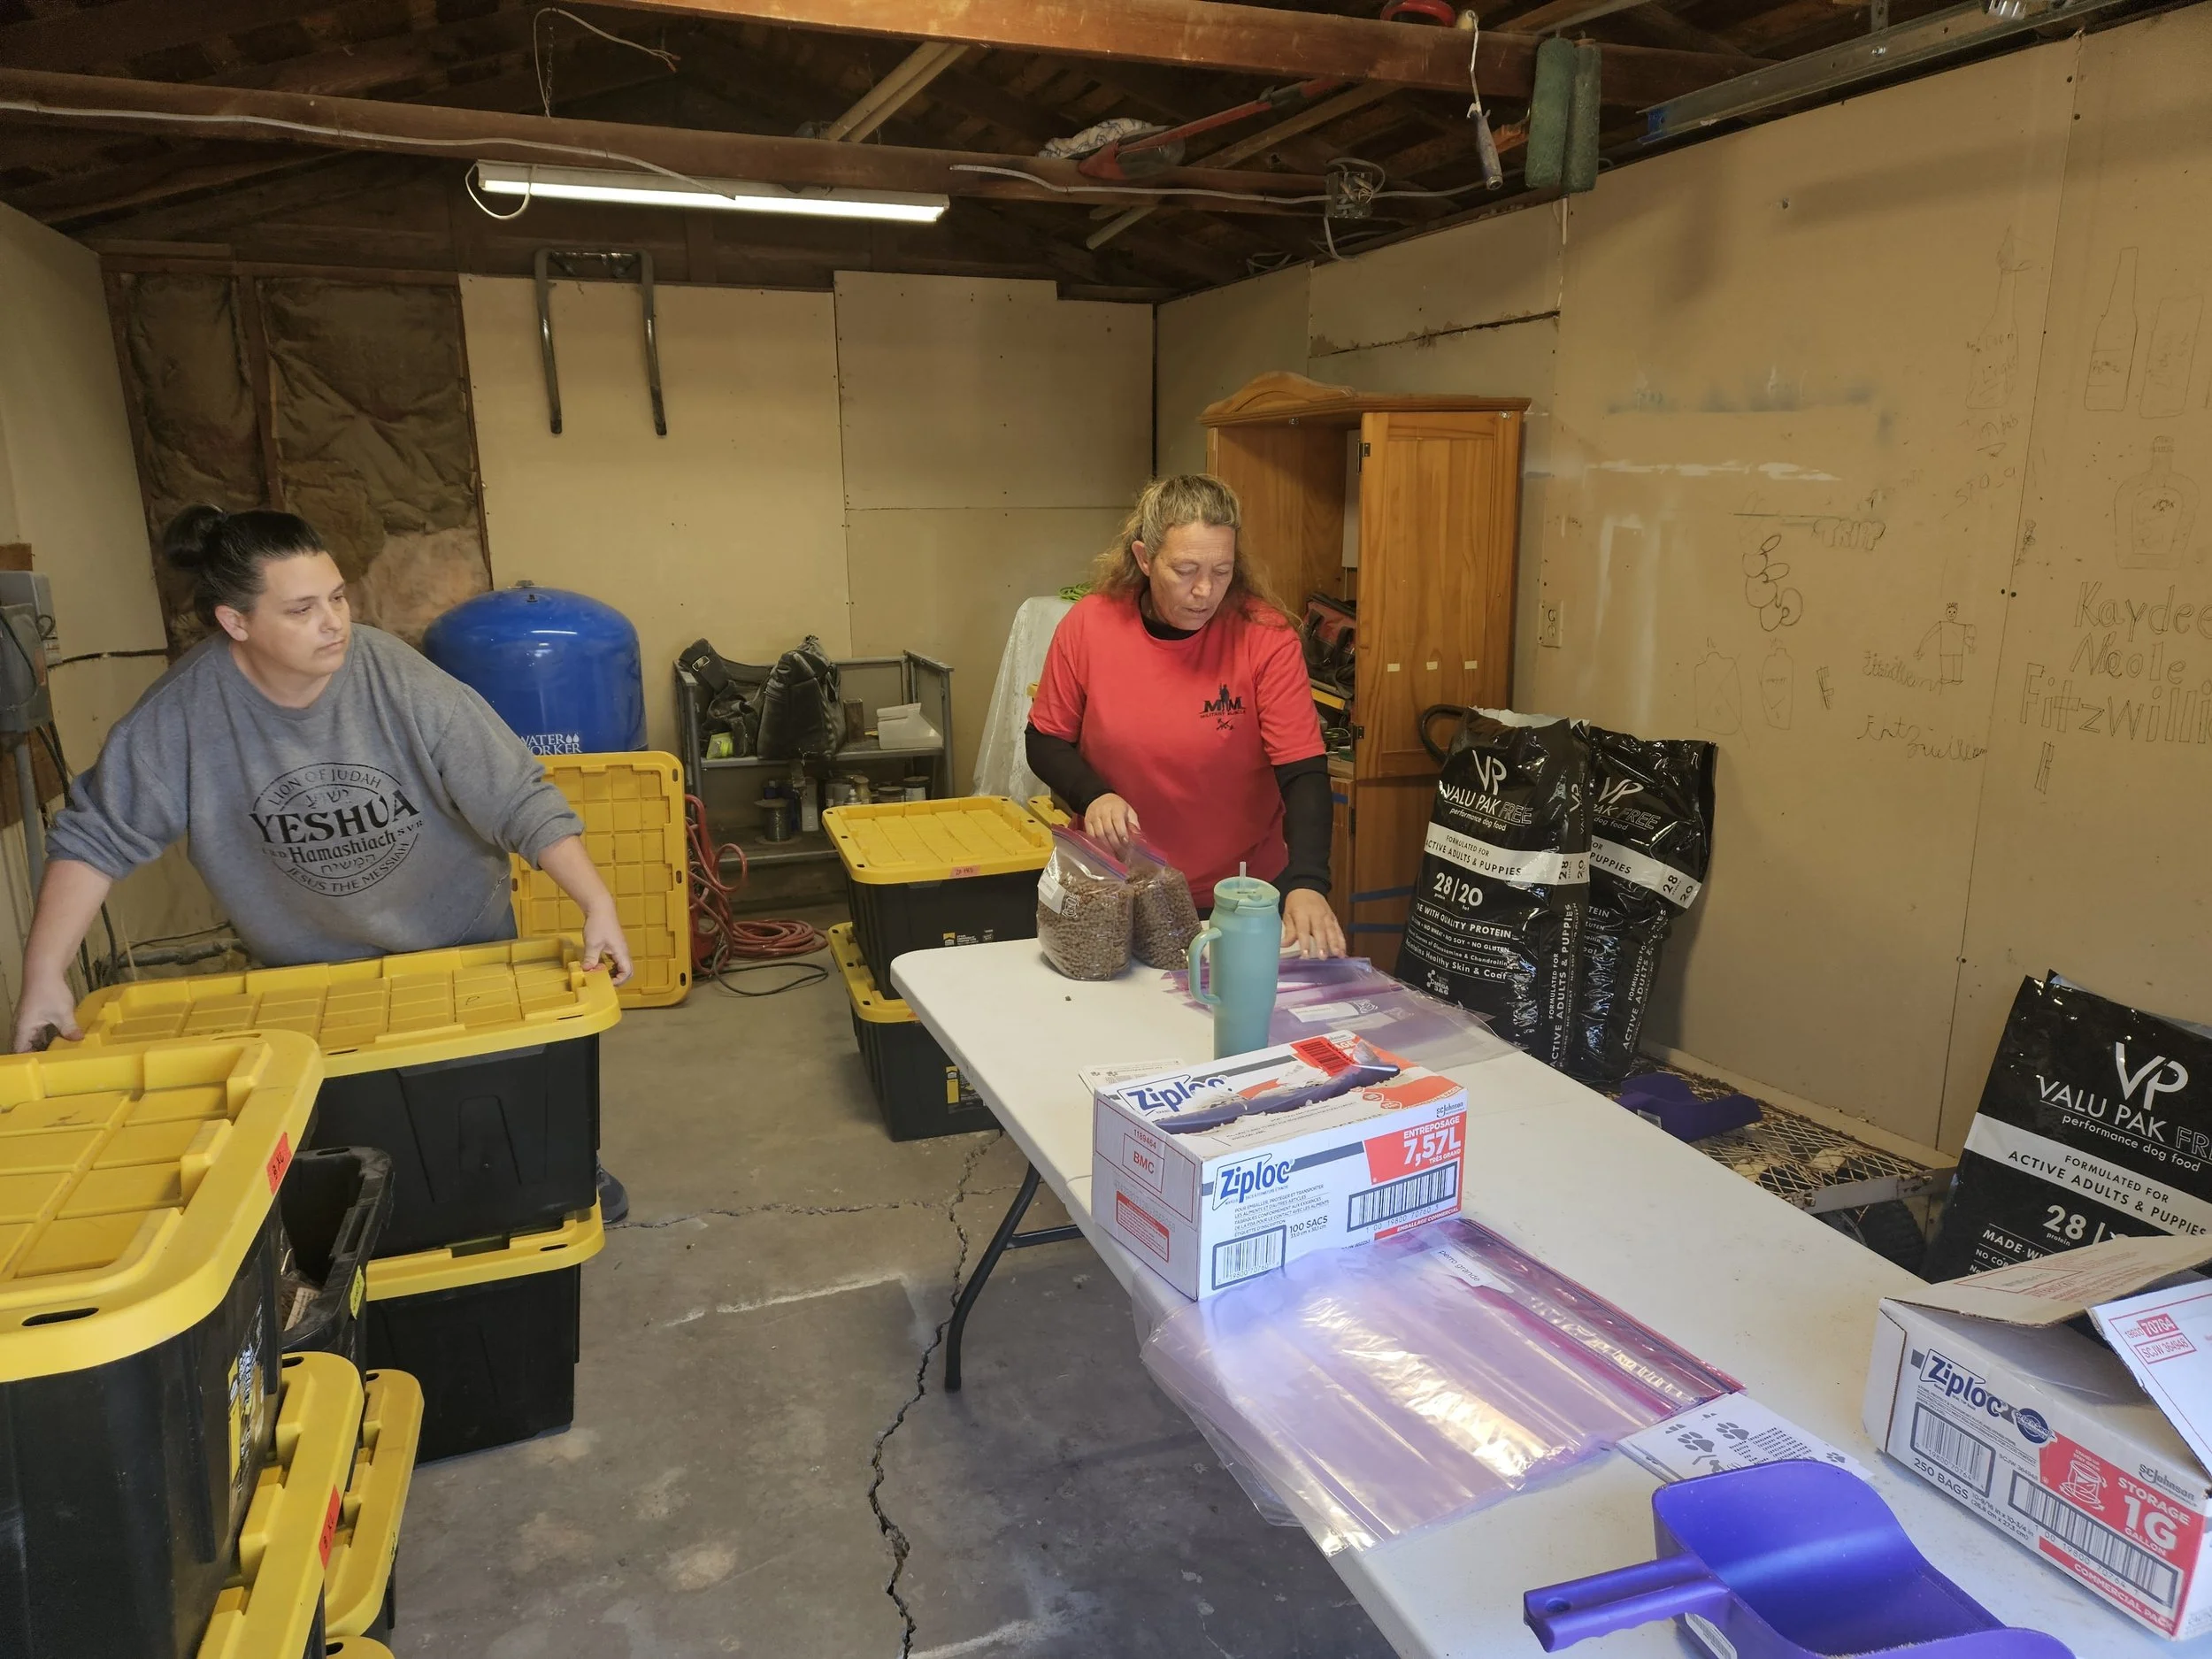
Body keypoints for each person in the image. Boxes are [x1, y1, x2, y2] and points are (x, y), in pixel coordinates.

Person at [12, 506, 639, 1220]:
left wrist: (599, 904)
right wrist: (43, 976)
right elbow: (95, 838)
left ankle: (565, 1161)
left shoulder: (393, 674)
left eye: (337, 597)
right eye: (303, 608)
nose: (334, 622)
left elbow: (514, 793)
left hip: (461, 945)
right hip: (311, 978)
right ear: (236, 622)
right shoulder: (183, 715)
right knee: (369, 1153)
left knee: (497, 1111)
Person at [1025, 474, 1346, 958]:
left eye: (1222, 571)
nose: (1204, 590)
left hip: (1239, 891)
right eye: (1185, 569)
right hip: (1118, 886)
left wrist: (1308, 882)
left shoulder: (1264, 636)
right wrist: (1093, 796)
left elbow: (1302, 771)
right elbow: (1045, 740)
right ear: (1144, 558)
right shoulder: (1090, 625)